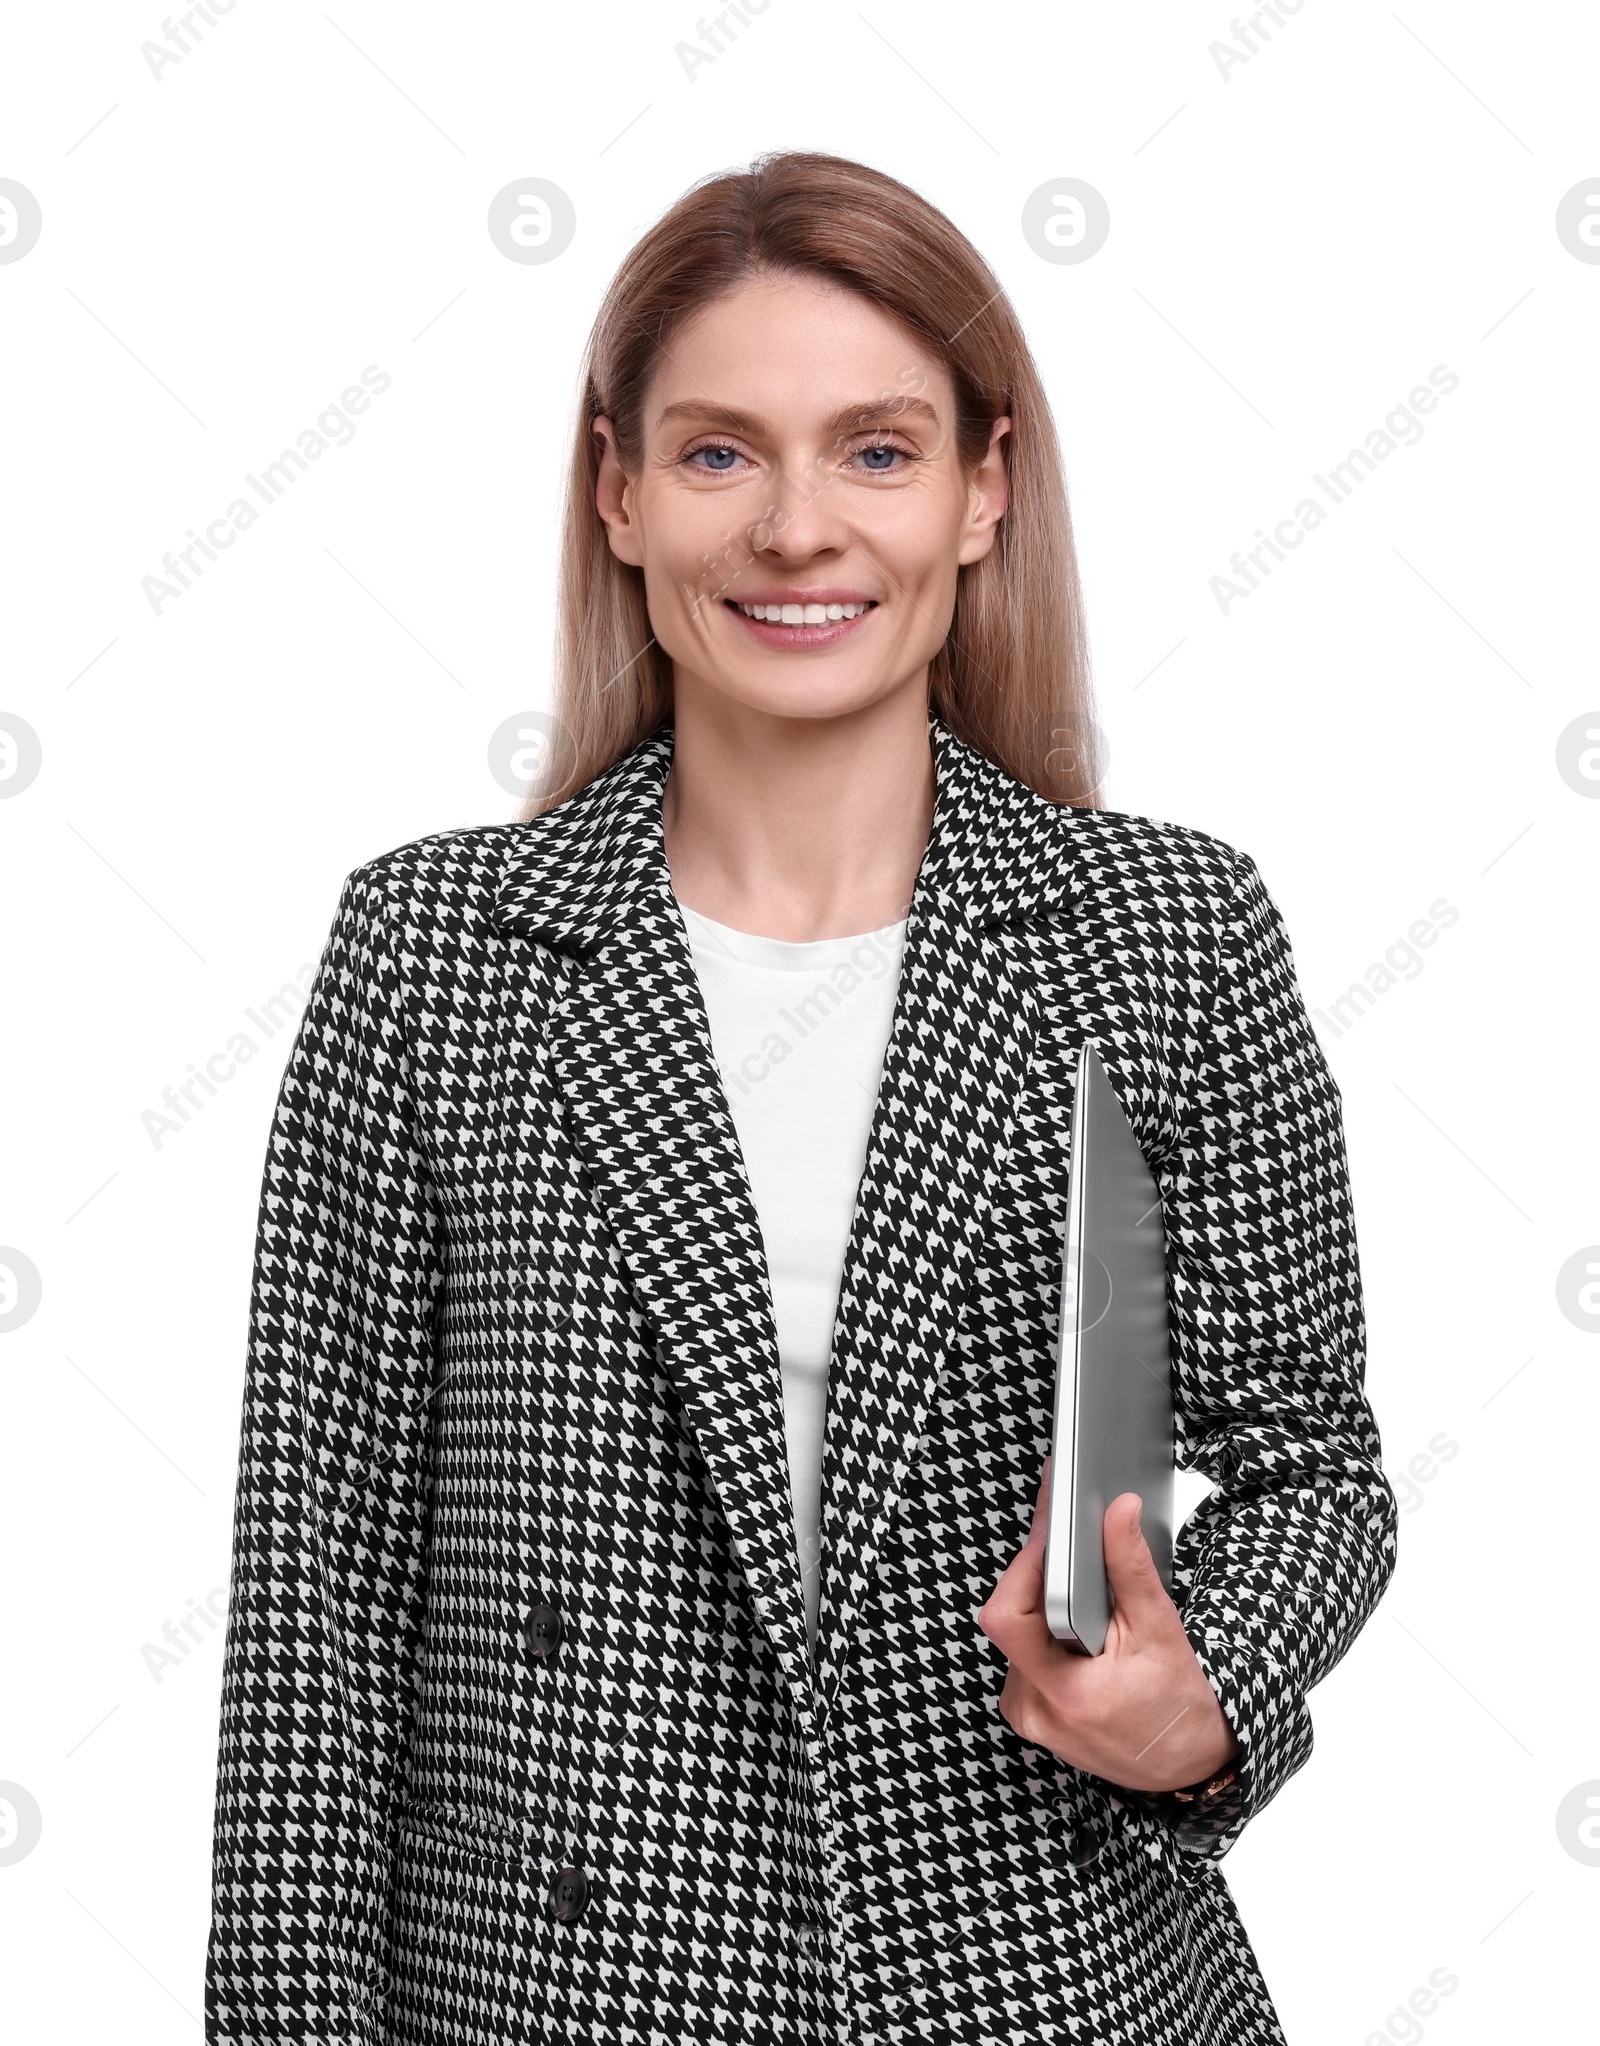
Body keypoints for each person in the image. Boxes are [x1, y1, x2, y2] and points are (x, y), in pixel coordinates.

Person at [205, 149, 1397, 2045]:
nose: (792, 528)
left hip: (1040, 1981)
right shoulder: (437, 952)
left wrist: (1206, 1695)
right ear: (616, 491)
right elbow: (314, 1619)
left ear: (985, 487)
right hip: (560, 1997)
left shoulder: (1166, 930)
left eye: (874, 449)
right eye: (715, 453)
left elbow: (1313, 1467)